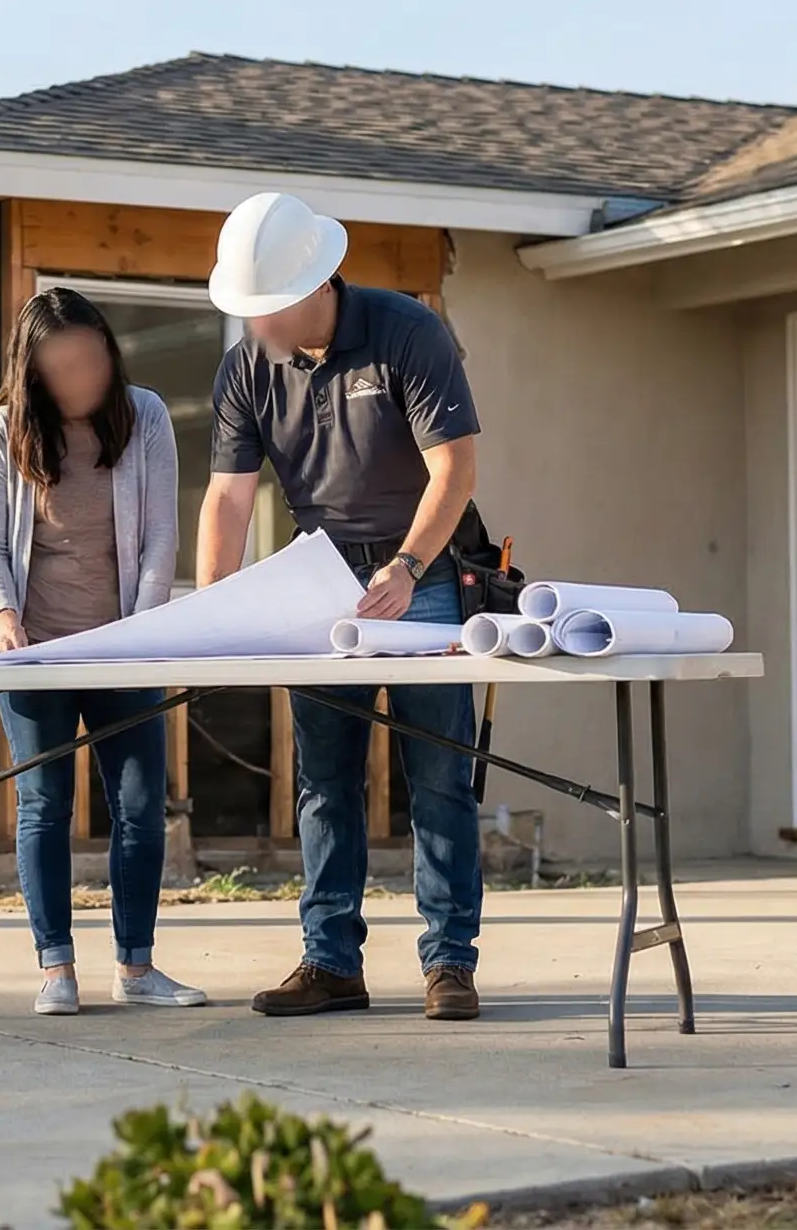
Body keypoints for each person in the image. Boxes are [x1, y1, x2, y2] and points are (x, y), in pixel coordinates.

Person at [195, 191, 486, 1021]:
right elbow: (226, 500)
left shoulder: (406, 332)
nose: (255, 326)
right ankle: (330, 963)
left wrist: (407, 565)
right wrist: (214, 612)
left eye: (266, 310)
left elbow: (455, 469)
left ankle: (449, 964)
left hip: (423, 577)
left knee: (438, 775)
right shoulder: (248, 366)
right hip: (318, 585)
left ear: (314, 284)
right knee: (324, 781)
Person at [0, 287, 207, 1016]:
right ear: (33, 373)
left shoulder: (148, 418)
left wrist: (141, 632)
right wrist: (4, 616)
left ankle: (136, 968)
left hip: (123, 646)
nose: (81, 379)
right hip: (36, 650)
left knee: (138, 807)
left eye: (91, 361)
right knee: (45, 806)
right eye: (62, 368)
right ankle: (55, 968)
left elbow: (161, 536)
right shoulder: (4, 431)